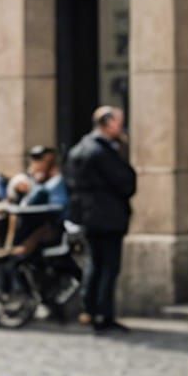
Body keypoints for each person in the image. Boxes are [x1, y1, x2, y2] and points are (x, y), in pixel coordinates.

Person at [67, 106, 137, 332]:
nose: (121, 127)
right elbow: (125, 181)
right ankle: (102, 313)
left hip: (88, 215)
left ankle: (90, 309)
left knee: (95, 263)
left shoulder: (80, 149)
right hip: (107, 215)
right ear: (107, 124)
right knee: (107, 265)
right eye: (118, 122)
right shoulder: (102, 152)